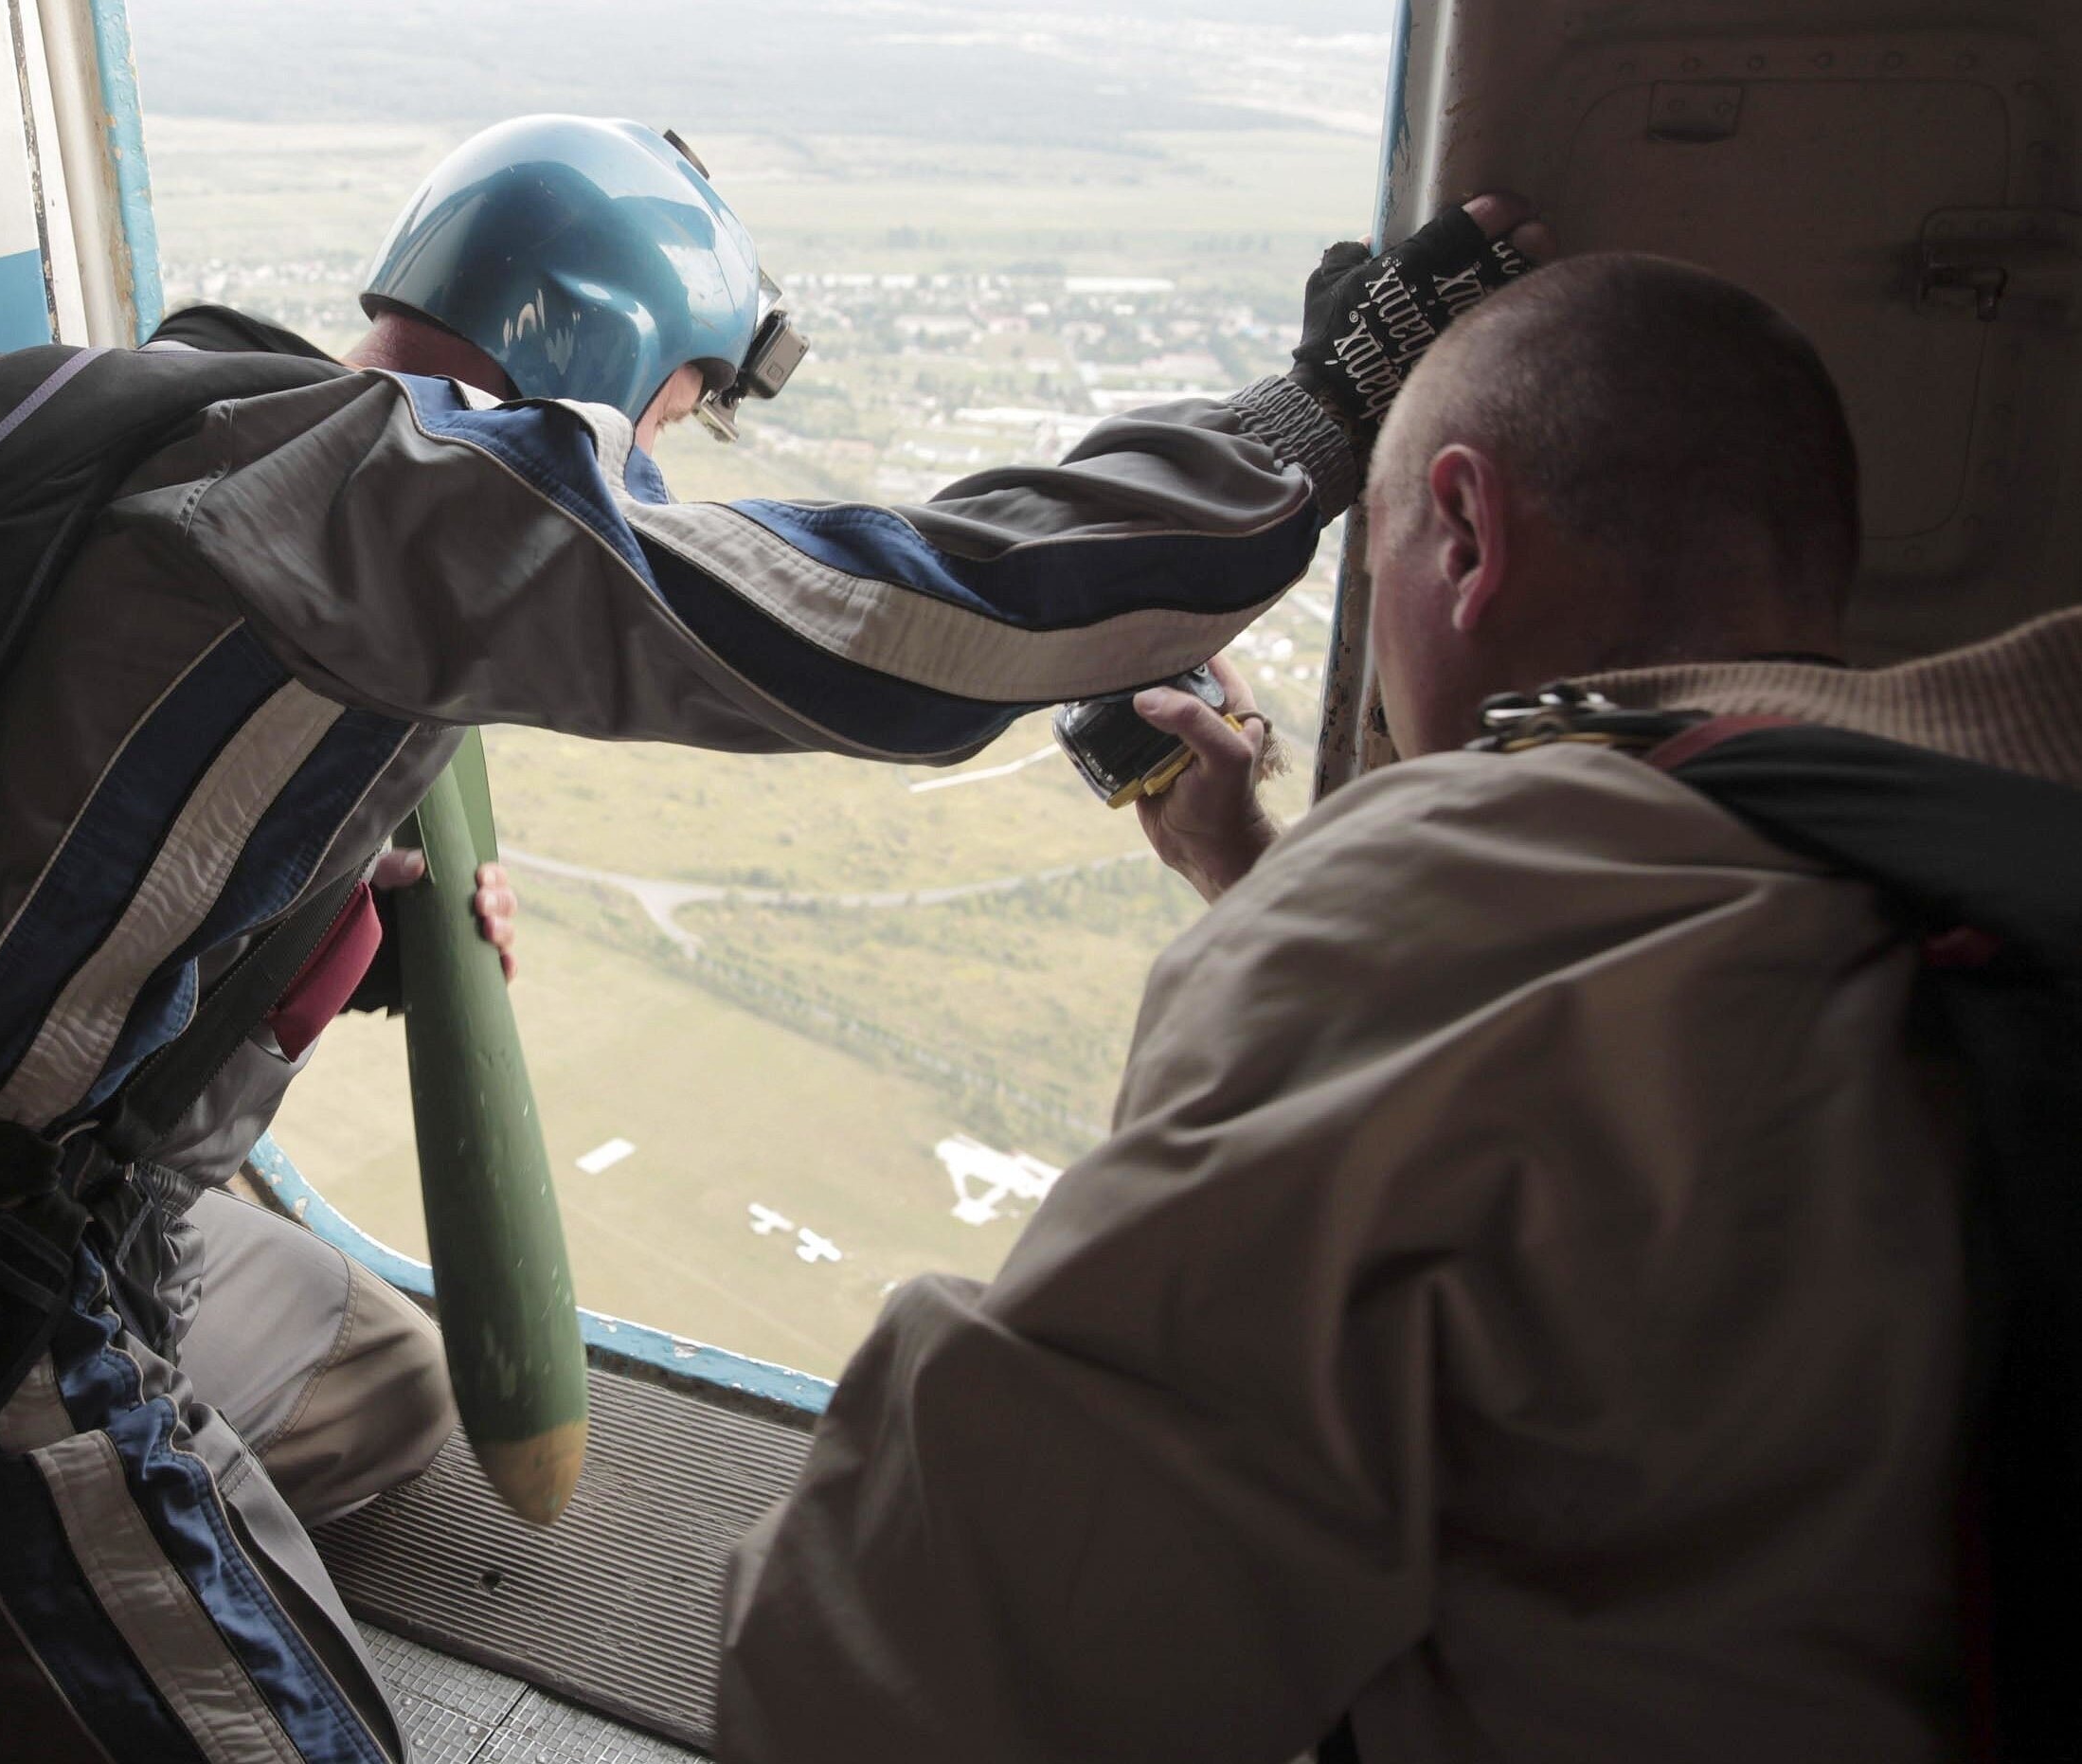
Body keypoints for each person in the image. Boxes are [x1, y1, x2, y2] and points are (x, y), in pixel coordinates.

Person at [0, 116, 1544, 1763]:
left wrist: (347, 936)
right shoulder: (399, 509)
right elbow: (913, 624)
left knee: (371, 1385)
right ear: (594, 354)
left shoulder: (185, 424)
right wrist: (1303, 422)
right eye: (665, 403)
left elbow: (62, 863)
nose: (654, 455)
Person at [717, 250, 2082, 1760]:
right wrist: (1247, 866)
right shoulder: (1990, 813)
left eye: (1379, 579)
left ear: (1466, 533)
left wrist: (1326, 915)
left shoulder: (1457, 894)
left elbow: (889, 1681)